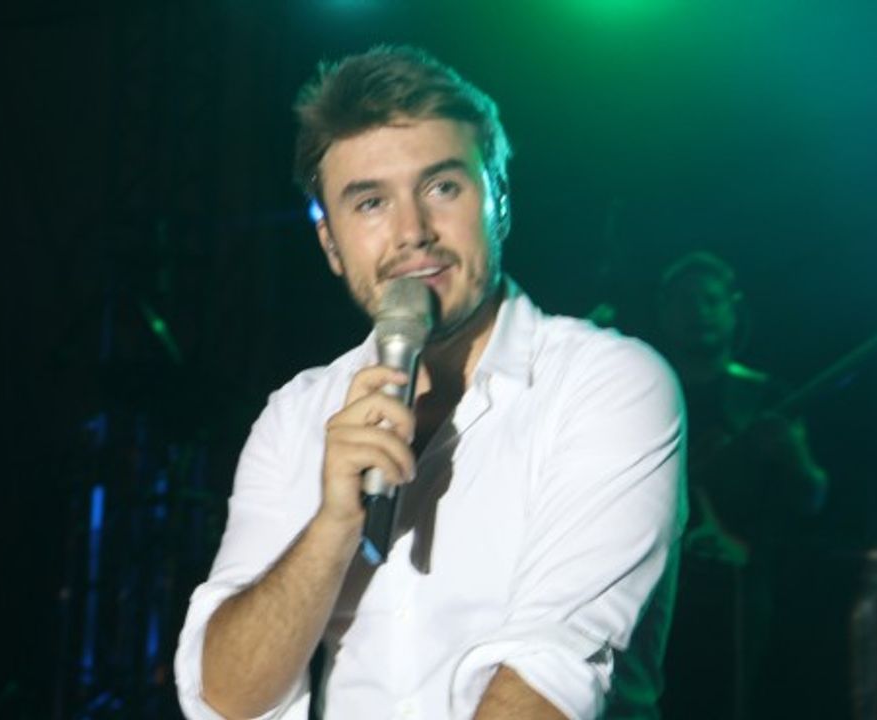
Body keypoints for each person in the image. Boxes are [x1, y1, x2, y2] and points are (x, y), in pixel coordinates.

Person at [174, 46, 687, 719]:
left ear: (499, 199)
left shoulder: (607, 384)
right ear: (330, 245)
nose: (412, 232)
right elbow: (226, 697)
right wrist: (332, 525)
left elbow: (550, 678)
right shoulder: (295, 415)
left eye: (442, 187)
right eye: (370, 203)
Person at [653, 252, 828, 719]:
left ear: (734, 308)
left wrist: (793, 454)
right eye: (685, 301)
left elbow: (812, 498)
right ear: (664, 311)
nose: (699, 312)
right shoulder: (642, 392)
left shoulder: (766, 396)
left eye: (711, 300)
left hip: (742, 593)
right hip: (658, 586)